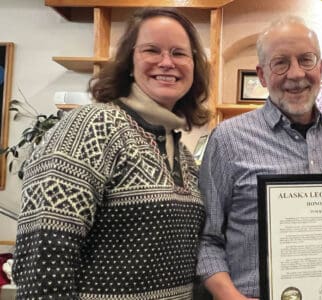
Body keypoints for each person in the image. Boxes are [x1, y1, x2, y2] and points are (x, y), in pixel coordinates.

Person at [12, 8, 210, 299]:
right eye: (152, 50)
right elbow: (43, 255)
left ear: (194, 66)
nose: (167, 62)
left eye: (180, 53)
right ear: (129, 61)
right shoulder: (92, 125)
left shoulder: (181, 150)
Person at [196, 16, 322, 300]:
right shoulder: (228, 140)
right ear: (262, 75)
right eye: (280, 62)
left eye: (306, 59)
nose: (296, 74)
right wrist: (229, 296)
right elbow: (207, 239)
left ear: (320, 68)